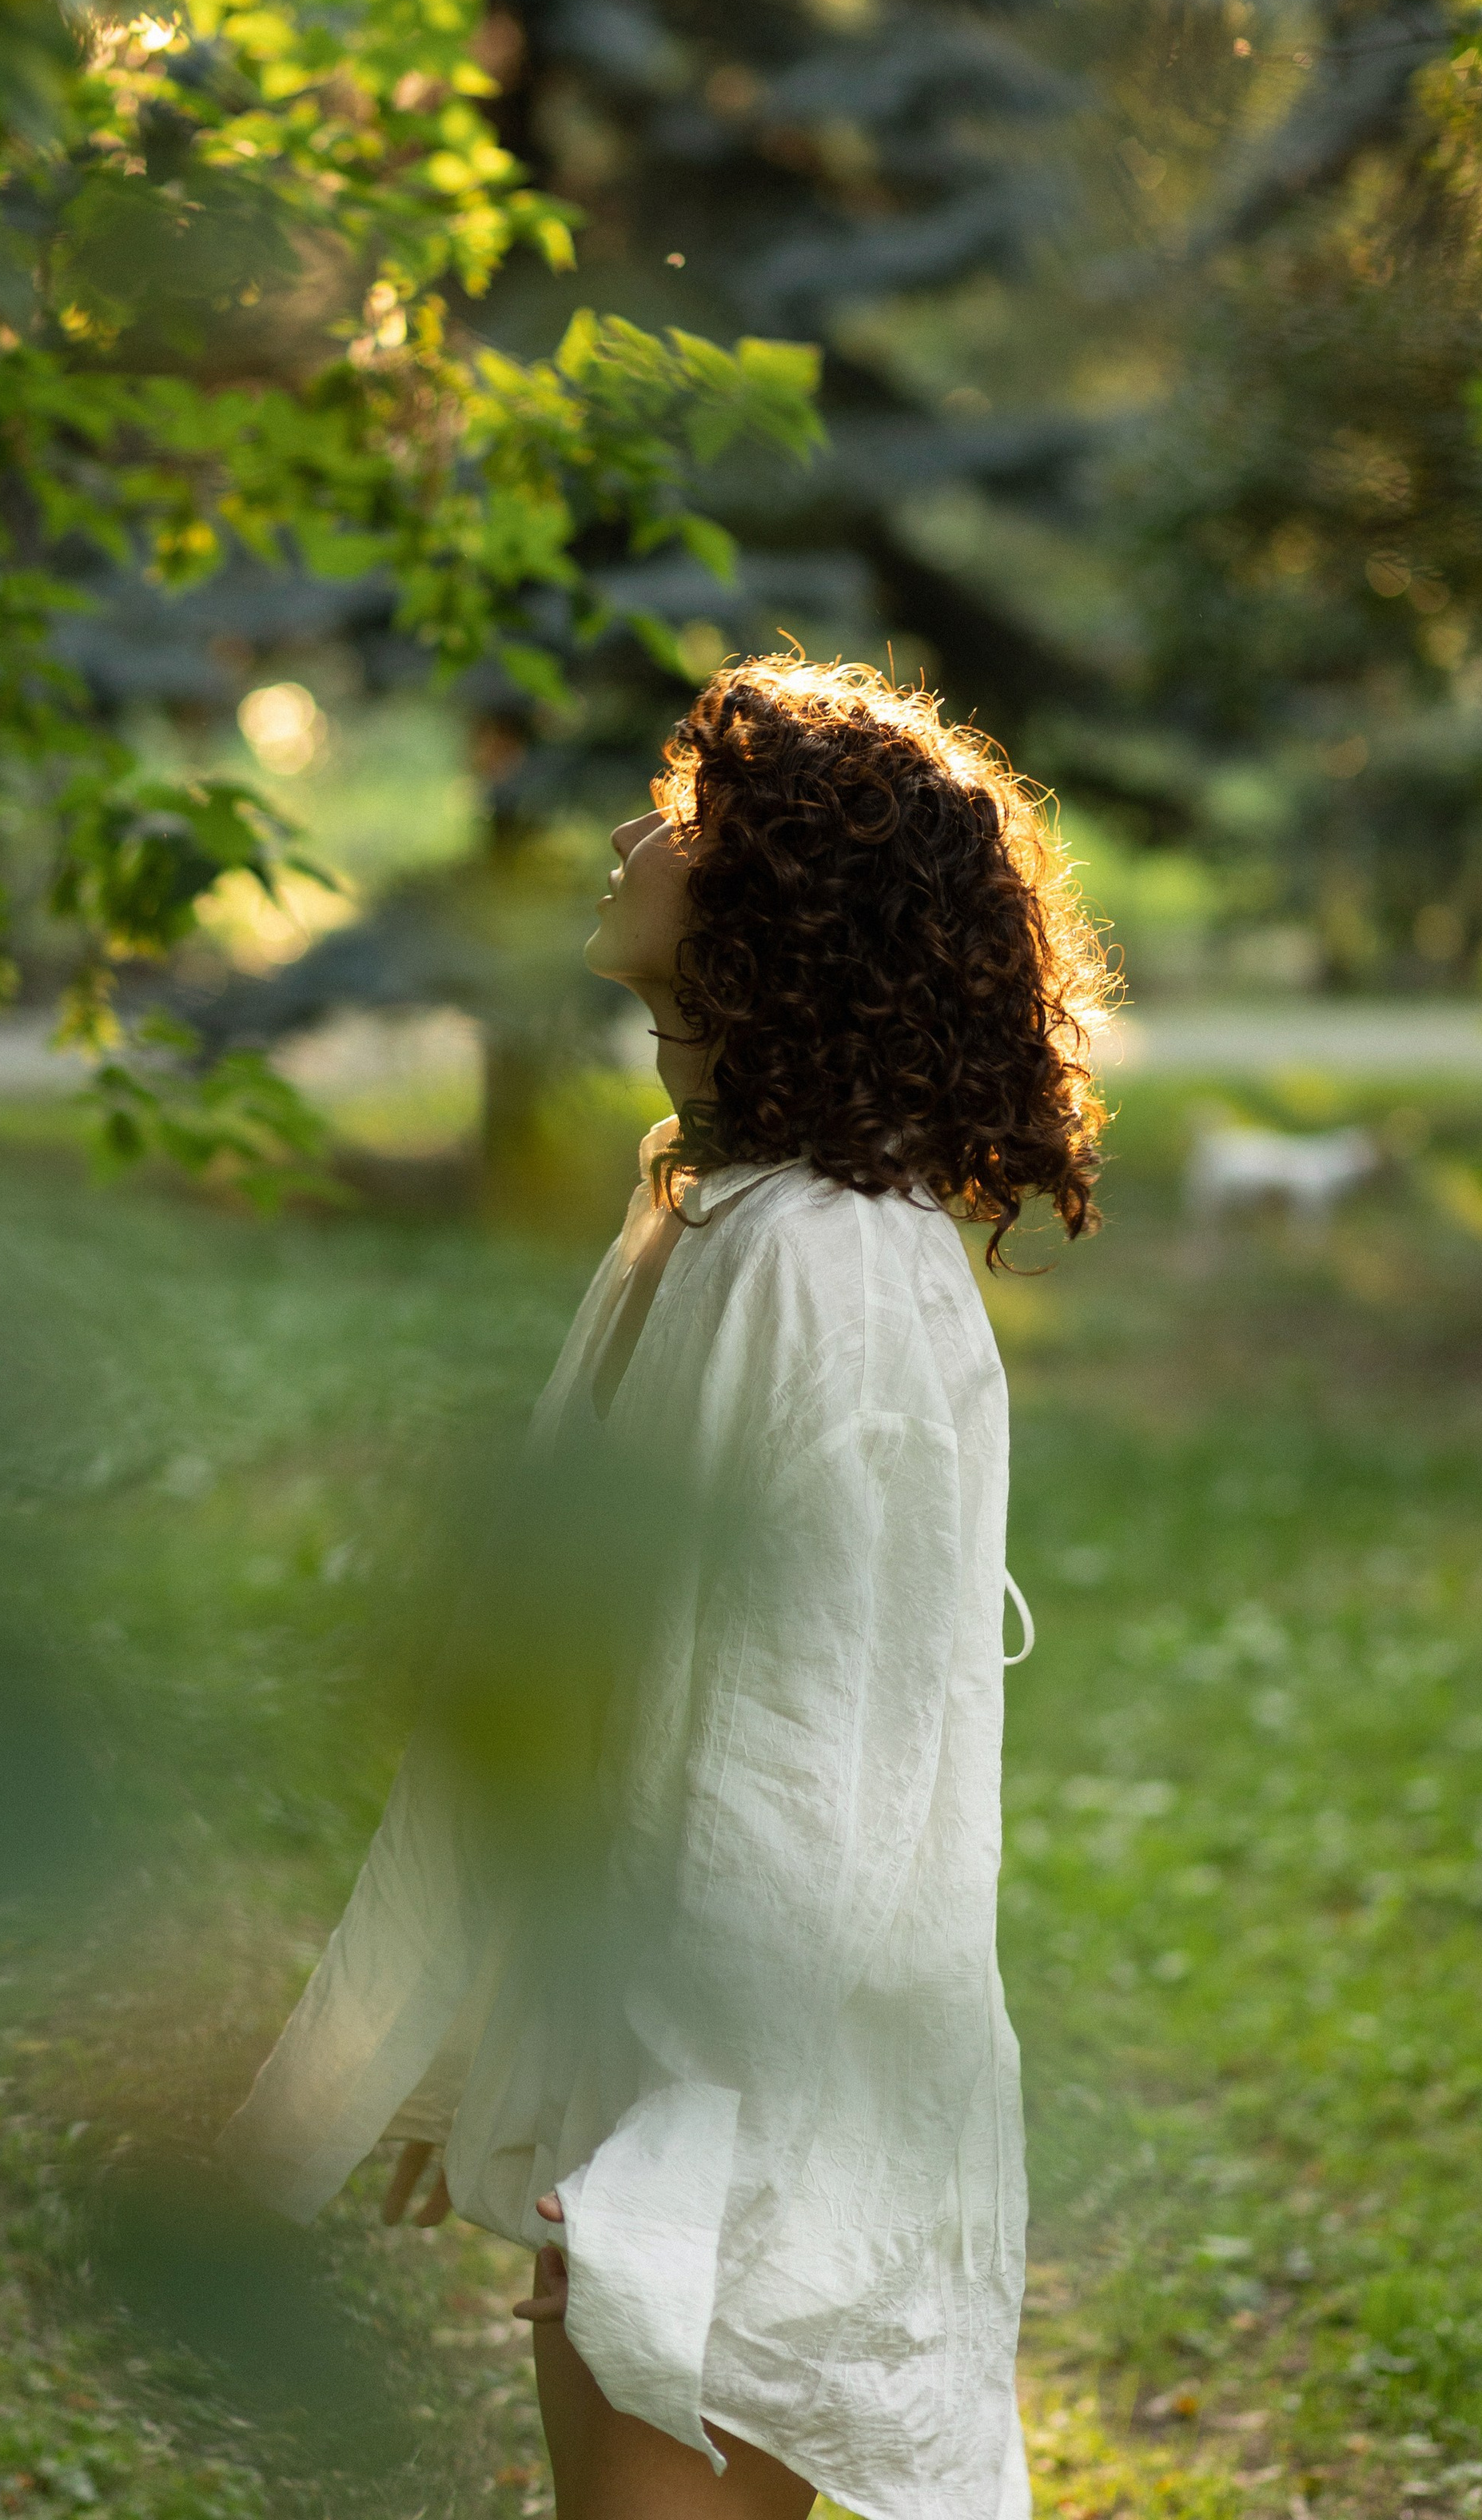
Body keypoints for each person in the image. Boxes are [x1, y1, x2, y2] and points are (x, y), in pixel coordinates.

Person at [213, 656, 1112, 2520]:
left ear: (779, 910)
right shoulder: (710, 1206)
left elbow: (815, 1742)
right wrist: (471, 2038)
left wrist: (679, 2138)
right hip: (657, 2059)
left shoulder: (821, 1262)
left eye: (690, 823)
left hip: (741, 2110)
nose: (633, 834)